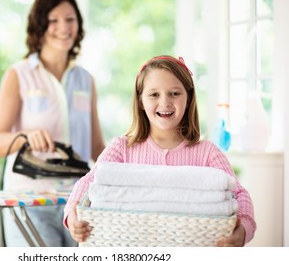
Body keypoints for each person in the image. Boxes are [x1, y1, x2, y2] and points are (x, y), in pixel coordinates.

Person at [64, 55, 256, 247]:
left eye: (174, 93)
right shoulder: (122, 148)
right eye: (154, 94)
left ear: (188, 98)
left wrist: (243, 230)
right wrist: (72, 214)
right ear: (140, 100)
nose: (165, 102)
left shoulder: (207, 152)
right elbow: (89, 182)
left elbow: (239, 194)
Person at [0, 0, 105, 247]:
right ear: (39, 26)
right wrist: (26, 138)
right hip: (30, 200)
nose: (63, 27)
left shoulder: (85, 80)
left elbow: (96, 147)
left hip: (78, 202)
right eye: (53, 20)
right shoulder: (19, 75)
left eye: (70, 19)